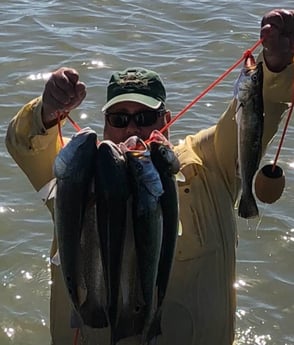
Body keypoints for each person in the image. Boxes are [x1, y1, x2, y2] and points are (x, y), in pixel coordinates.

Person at [5, 8, 294, 345]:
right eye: (119, 117)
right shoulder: (79, 171)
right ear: (104, 125)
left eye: (145, 117)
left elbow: (259, 110)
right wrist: (46, 111)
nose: (132, 128)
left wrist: (275, 65)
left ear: (167, 119)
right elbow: (25, 143)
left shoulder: (209, 161)